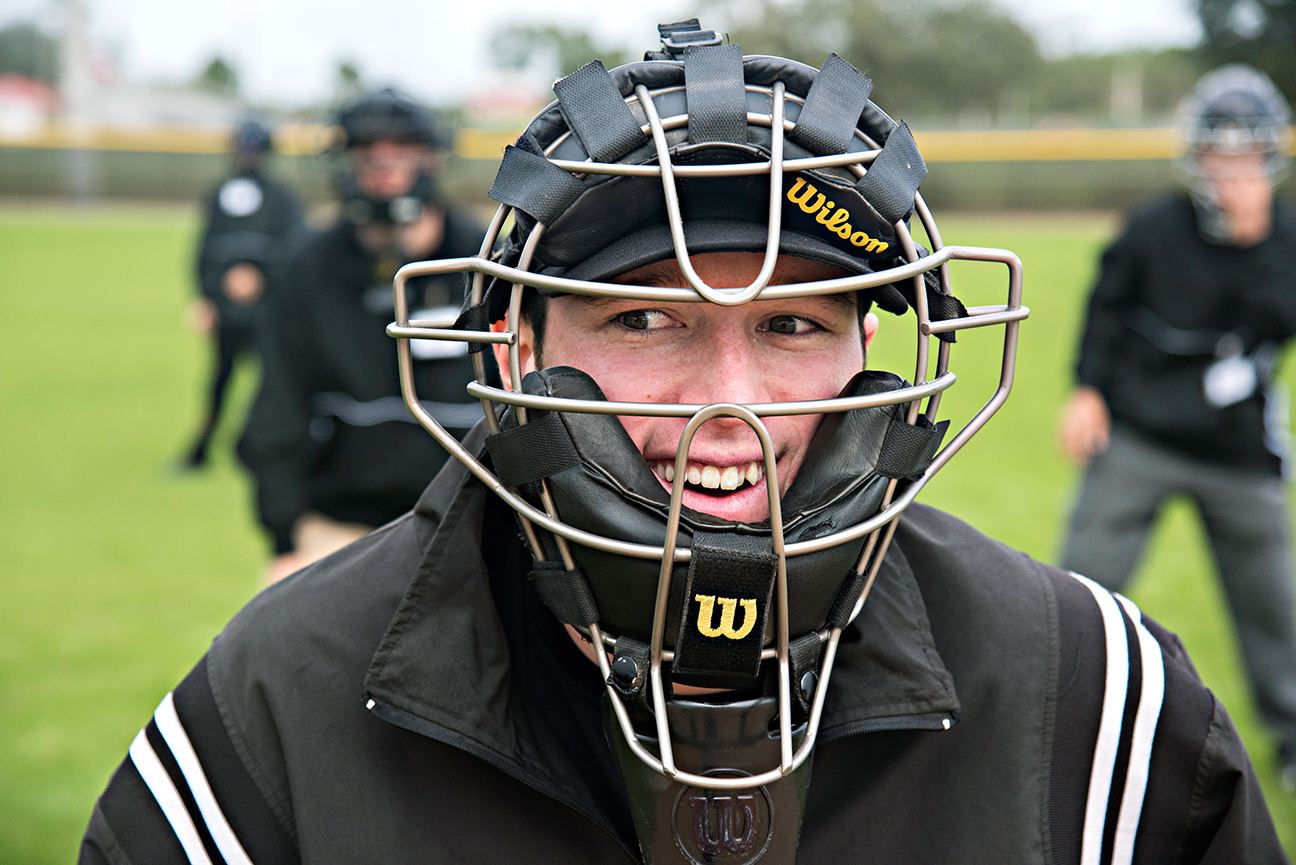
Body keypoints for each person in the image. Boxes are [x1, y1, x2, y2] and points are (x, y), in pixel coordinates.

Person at [83, 25, 1288, 863]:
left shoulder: (1093, 701)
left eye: (795, 323)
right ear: (511, 347)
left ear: (873, 358)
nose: (735, 408)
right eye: (647, 317)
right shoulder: (276, 711)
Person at [1058, 64, 1296, 793]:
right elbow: (1107, 307)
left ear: (1270, 155)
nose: (1232, 168)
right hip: (1141, 435)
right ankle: (1056, 718)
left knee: (1274, 605)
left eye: (1247, 152)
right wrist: (1088, 389)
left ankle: (1291, 739)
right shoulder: (1153, 227)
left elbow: (1282, 320)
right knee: (1081, 588)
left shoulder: (1284, 233)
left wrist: (1254, 243)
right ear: (1196, 151)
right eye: (1220, 151)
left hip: (1236, 449)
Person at [236, 87, 486, 583]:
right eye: (367, 154)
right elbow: (277, 407)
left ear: (431, 159)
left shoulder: (485, 260)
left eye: (401, 152)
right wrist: (283, 536)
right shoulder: (308, 265)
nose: (383, 167)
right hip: (343, 520)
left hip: (481, 513)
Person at [180, 117, 305, 470]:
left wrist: (262, 278)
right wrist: (205, 297)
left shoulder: (283, 200)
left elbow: (295, 251)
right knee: (219, 380)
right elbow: (204, 250)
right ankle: (201, 449)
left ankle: (258, 447)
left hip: (267, 312)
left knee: (272, 383)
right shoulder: (220, 196)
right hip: (226, 312)